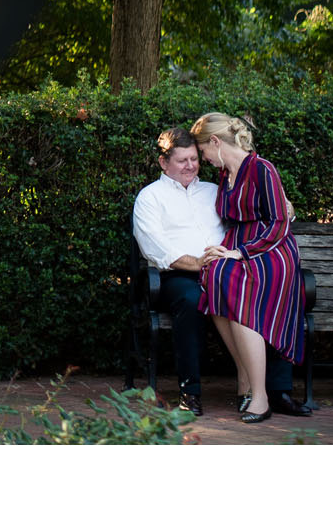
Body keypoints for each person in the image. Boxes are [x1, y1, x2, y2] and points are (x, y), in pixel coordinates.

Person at [131, 128, 307, 417]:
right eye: (181, 161)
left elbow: (252, 212)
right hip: (180, 275)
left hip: (224, 269)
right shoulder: (151, 197)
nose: (190, 166)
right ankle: (191, 392)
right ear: (164, 163)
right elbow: (155, 248)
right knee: (191, 300)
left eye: (194, 159)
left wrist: (286, 207)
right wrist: (198, 263)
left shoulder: (214, 191)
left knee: (266, 289)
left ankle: (275, 390)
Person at [192, 111, 309, 424]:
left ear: (215, 142)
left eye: (203, 151)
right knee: (213, 274)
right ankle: (244, 369)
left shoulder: (261, 169)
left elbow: (278, 223)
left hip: (271, 250)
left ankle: (260, 397)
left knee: (236, 283)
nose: (204, 158)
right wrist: (224, 250)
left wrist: (240, 253)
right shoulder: (225, 175)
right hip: (239, 246)